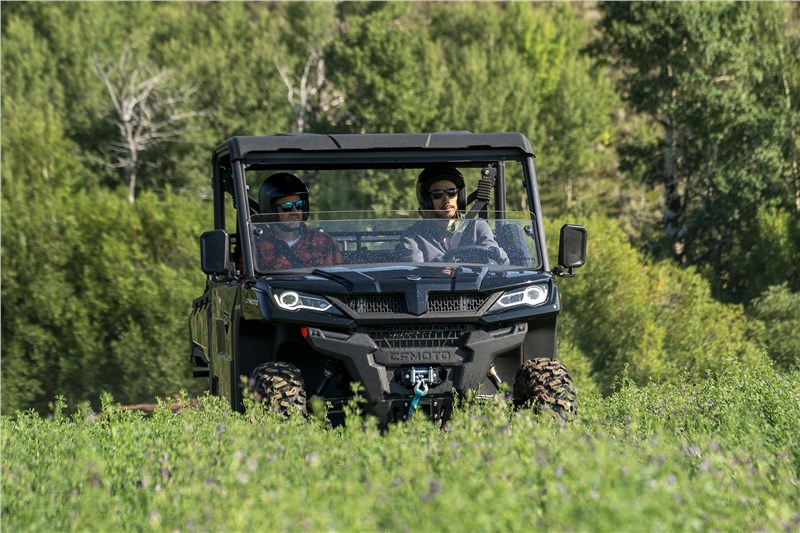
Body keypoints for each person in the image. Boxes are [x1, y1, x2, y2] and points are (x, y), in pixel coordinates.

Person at [397, 167, 509, 264]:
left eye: (452, 192)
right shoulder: (413, 236)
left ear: (459, 197)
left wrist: (495, 253)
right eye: (437, 194)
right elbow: (414, 272)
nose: (446, 200)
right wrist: (436, 269)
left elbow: (499, 260)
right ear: (428, 202)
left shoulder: (476, 227)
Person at [253, 172, 343, 271]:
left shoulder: (323, 242)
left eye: (299, 205)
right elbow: (248, 283)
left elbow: (339, 276)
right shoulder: (256, 247)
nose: (295, 211)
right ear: (270, 210)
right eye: (287, 206)